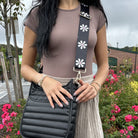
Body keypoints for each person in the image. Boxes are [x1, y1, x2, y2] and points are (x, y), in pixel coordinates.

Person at [21, 0, 109, 138]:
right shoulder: (38, 14)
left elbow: (104, 65)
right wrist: (43, 80)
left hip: (85, 99)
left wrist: (95, 86)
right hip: (52, 99)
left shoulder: (95, 14)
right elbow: (25, 67)